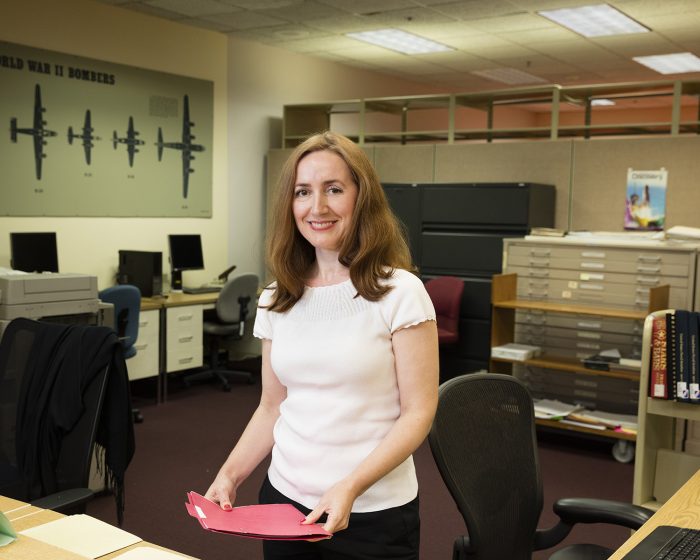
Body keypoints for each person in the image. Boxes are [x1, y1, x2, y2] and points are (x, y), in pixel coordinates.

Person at [204, 131, 439, 559]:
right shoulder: (277, 296)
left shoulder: (401, 292)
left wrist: (349, 486)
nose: (318, 207)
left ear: (361, 198)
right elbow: (272, 407)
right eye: (303, 192)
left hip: (373, 513)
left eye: (334, 189)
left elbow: (419, 413)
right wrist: (230, 474)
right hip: (284, 504)